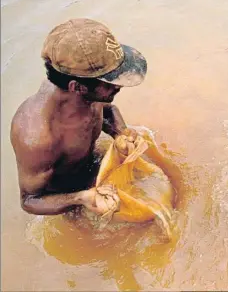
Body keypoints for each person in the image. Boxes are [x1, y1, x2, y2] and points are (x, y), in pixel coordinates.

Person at [10, 18, 148, 216]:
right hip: (68, 196)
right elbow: (30, 200)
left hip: (92, 165)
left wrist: (120, 133)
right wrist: (81, 199)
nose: (119, 85)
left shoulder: (85, 88)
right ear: (77, 87)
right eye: (110, 81)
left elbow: (108, 110)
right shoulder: (37, 137)